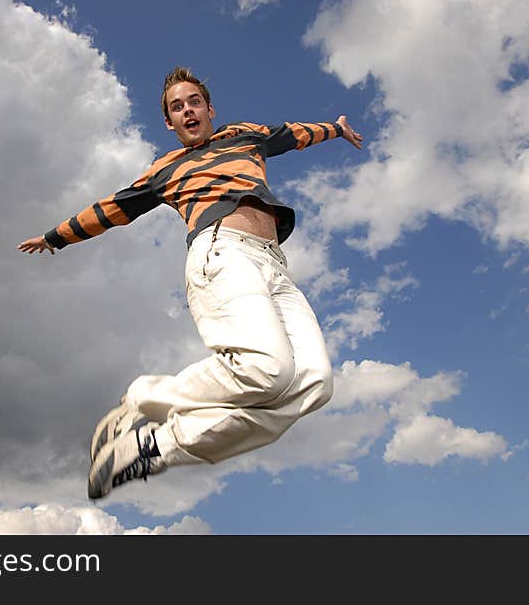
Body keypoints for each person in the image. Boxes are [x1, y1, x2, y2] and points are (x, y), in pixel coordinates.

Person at [18, 66, 363, 500]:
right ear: (170, 122)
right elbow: (111, 208)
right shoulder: (166, 168)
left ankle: (156, 447)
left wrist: (336, 128)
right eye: (176, 107)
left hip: (275, 266)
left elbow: (294, 134)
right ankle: (144, 397)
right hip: (222, 252)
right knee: (267, 369)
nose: (187, 110)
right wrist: (56, 237)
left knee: (314, 382)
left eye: (193, 102)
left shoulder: (244, 135)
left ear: (209, 108)